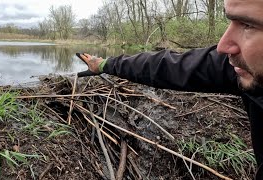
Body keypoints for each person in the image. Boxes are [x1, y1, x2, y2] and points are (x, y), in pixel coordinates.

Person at [75, 0, 263, 179]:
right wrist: (104, 65)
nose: (222, 46)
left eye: (248, 25)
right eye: (231, 21)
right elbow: (168, 67)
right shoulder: (245, 69)